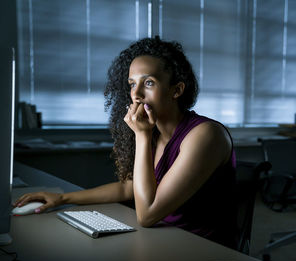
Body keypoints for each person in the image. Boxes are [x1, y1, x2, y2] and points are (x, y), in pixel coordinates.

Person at [14, 36, 237, 249]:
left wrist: (142, 136)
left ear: (176, 90)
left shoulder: (206, 135)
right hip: (161, 239)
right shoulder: (154, 132)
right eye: (132, 84)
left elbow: (147, 214)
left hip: (200, 249)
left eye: (149, 82)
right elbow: (129, 187)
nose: (136, 94)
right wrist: (62, 198)